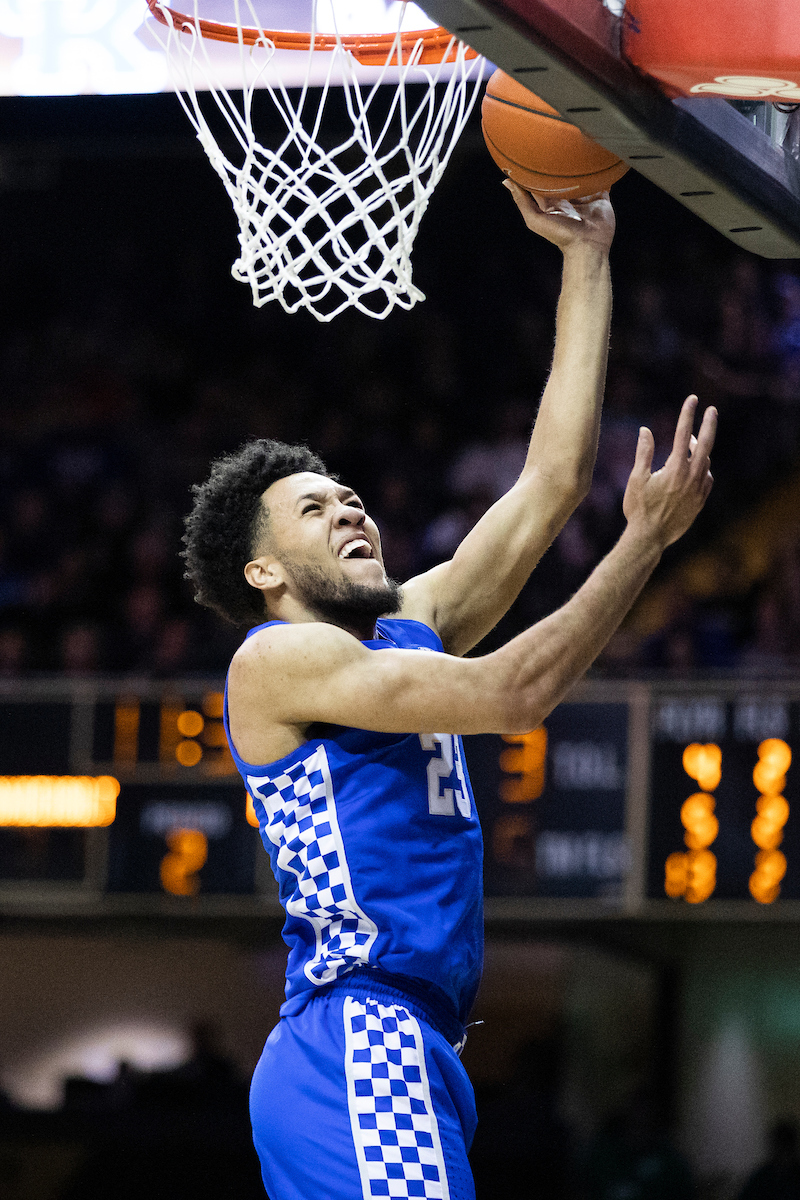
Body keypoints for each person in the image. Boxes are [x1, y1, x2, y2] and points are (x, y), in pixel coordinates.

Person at [182, 184, 717, 1200]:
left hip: (413, 1039)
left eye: (348, 494)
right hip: (355, 1034)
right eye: (310, 508)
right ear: (263, 572)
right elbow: (515, 695)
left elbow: (551, 483)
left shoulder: (405, 626)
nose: (347, 507)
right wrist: (641, 544)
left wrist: (585, 257)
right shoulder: (274, 658)